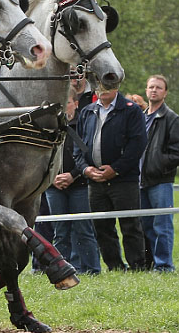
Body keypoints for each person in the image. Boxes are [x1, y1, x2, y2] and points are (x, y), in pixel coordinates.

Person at [73, 86, 147, 271]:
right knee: (102, 228)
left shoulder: (131, 109)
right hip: (95, 182)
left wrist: (116, 169)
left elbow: (138, 145)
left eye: (107, 86)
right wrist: (86, 169)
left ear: (117, 87)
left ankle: (137, 267)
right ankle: (114, 267)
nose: (103, 89)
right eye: (99, 86)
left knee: (130, 226)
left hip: (124, 181)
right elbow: (78, 148)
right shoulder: (87, 112)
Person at [45, 86, 101, 274]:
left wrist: (73, 175)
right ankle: (63, 270)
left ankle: (92, 269)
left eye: (67, 102)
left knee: (83, 228)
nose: (64, 107)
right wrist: (52, 178)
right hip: (53, 187)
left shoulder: (83, 124)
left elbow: (87, 154)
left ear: (75, 104)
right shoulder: (48, 127)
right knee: (60, 231)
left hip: (80, 184)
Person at [140, 75, 179, 272]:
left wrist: (158, 164)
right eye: (151, 87)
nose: (154, 90)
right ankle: (152, 263)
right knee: (146, 225)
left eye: (158, 87)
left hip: (160, 181)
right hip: (140, 180)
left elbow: (176, 152)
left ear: (165, 92)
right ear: (146, 90)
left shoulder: (171, 118)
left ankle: (164, 265)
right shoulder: (140, 117)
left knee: (162, 226)